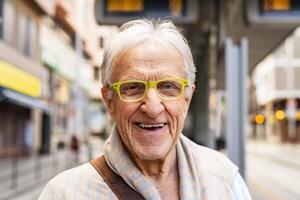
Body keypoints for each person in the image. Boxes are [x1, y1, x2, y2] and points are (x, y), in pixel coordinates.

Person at [39, 19, 251, 200]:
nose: (152, 107)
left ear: (186, 99)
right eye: (132, 88)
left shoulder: (225, 180)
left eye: (168, 87)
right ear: (109, 101)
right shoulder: (64, 193)